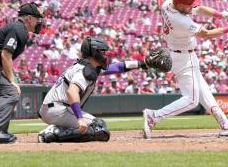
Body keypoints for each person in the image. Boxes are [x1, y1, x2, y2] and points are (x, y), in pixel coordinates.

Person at [142, 0, 228, 139]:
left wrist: (222, 15)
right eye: (188, 5)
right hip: (184, 58)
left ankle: (225, 125)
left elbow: (198, 9)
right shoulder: (180, 20)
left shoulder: (168, 3)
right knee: (192, 100)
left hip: (179, 54)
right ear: (180, 5)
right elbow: (205, 34)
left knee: (204, 92)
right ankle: (154, 116)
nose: (192, 6)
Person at [37, 37, 170, 143]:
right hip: (59, 110)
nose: (105, 55)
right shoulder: (84, 70)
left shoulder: (87, 67)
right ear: (94, 53)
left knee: (95, 128)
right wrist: (79, 118)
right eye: (102, 52)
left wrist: (143, 63)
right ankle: (53, 134)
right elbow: (72, 92)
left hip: (53, 108)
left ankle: (58, 129)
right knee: (99, 128)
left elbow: (117, 67)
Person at [0, 2, 45, 144]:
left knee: (7, 92)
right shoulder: (19, 28)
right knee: (10, 92)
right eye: (38, 18)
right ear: (30, 18)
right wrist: (12, 80)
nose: (40, 22)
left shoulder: (18, 28)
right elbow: (6, 54)